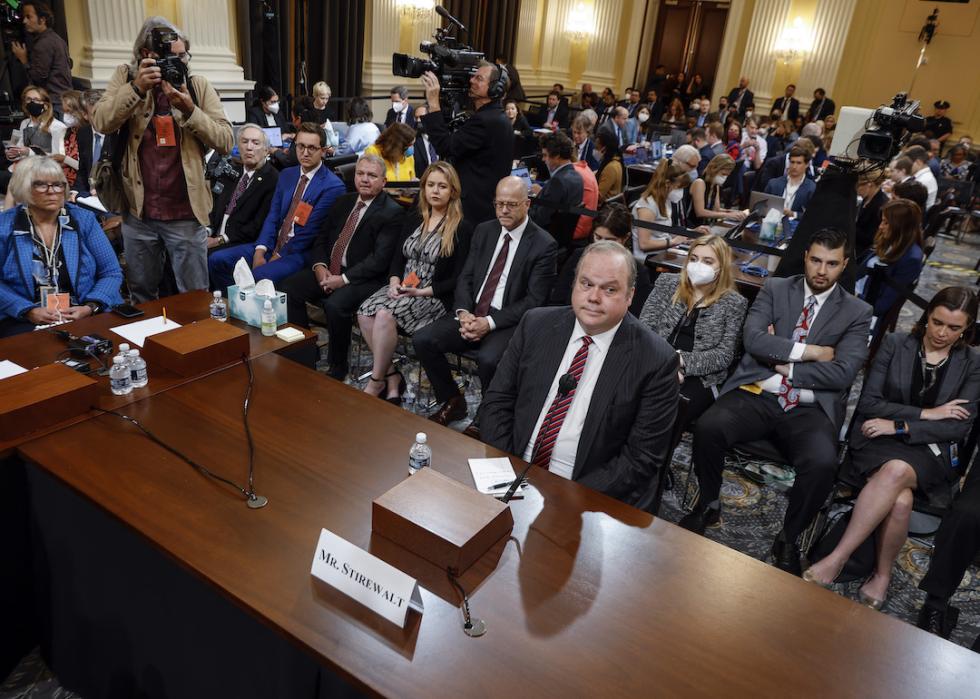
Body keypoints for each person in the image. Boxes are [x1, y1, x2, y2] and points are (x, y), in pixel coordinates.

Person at [681, 228, 873, 576]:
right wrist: (811, 354)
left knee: (822, 463)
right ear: (805, 257)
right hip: (757, 393)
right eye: (816, 260)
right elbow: (753, 340)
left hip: (809, 408)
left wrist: (783, 363)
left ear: (843, 265)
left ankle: (789, 535)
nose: (821, 270)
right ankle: (708, 501)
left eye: (831, 263)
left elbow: (844, 373)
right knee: (709, 426)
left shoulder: (857, 311)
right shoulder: (775, 287)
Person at [803, 287, 980, 610]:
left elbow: (958, 427)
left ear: (966, 329)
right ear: (927, 315)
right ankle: (882, 575)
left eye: (954, 328)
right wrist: (929, 413)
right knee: (900, 503)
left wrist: (899, 424)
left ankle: (838, 556)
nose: (942, 333)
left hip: (931, 452)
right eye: (937, 322)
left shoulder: (973, 363)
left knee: (897, 472)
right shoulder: (895, 344)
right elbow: (869, 403)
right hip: (876, 439)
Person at [481, 240, 679, 509]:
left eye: (609, 289)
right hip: (513, 470)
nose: (594, 297)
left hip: (586, 495)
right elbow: (497, 401)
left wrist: (567, 496)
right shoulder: (535, 324)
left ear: (630, 296)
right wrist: (507, 468)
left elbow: (640, 460)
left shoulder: (655, 360)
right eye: (586, 284)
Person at [91, 16, 233, 303]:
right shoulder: (126, 77)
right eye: (170, 56)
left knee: (194, 297)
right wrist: (136, 89)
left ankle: (197, 345)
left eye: (182, 56)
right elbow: (101, 121)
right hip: (138, 212)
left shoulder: (196, 85)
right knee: (142, 294)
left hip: (185, 212)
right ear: (147, 55)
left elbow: (226, 141)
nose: (178, 63)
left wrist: (190, 110)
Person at [413, 175, 557, 427]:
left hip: (507, 320)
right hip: (472, 311)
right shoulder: (485, 230)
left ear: (527, 204)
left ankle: (490, 412)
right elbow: (466, 277)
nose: (503, 210)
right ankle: (452, 400)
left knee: (489, 359)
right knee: (423, 339)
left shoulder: (544, 244)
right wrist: (463, 313)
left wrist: (488, 323)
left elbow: (534, 301)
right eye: (499, 203)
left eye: (511, 204)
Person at [279, 154, 404, 380]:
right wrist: (319, 267)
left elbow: (379, 260)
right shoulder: (343, 202)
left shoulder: (392, 212)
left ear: (383, 182)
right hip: (329, 270)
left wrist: (342, 280)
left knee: (335, 305)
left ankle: (338, 366)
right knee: (289, 288)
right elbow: (321, 238)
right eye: (360, 173)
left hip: (364, 279)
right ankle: (304, 351)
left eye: (372, 176)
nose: (365, 179)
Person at [357, 162, 472, 403]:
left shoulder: (461, 227)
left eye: (442, 186)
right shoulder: (415, 216)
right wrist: (394, 280)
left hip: (433, 295)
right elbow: (398, 256)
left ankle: (376, 382)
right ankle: (392, 375)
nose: (435, 191)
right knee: (364, 313)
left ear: (453, 191)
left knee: (384, 316)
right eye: (430, 185)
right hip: (404, 285)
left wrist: (421, 292)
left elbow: (459, 278)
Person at [208, 123, 344, 289]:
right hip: (272, 243)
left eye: (312, 148)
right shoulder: (287, 174)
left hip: (298, 252)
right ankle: (233, 306)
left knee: (258, 275)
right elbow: (272, 217)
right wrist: (260, 250)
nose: (305, 153)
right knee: (217, 260)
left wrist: (276, 256)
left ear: (323, 151)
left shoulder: (332, 186)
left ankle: (246, 309)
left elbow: (309, 232)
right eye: (300, 146)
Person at [0, 157, 123, 337]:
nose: (53, 192)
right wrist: (27, 310)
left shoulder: (84, 220)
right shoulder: (5, 226)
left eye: (58, 185)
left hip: (84, 313)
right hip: (23, 319)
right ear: (24, 188)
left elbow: (111, 272)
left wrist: (90, 306)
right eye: (41, 185)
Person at [639, 234, 748, 428]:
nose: (698, 266)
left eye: (707, 261)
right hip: (653, 362)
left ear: (721, 267)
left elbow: (724, 356)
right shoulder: (666, 283)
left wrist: (679, 362)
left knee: (666, 414)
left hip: (700, 377)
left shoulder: (734, 303)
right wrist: (664, 364)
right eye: (694, 259)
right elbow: (644, 329)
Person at [419, 61, 514, 226]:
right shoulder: (497, 117)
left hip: (473, 211)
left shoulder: (485, 120)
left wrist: (434, 103)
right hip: (484, 206)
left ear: (495, 89)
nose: (471, 81)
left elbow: (445, 146)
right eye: (473, 77)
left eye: (479, 78)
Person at [551, 203, 652, 316]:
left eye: (610, 240)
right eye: (598, 237)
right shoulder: (578, 256)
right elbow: (557, 299)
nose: (602, 245)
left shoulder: (638, 272)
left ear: (625, 238)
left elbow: (635, 315)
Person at [205, 124, 278, 252]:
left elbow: (258, 225)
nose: (249, 147)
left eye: (255, 143)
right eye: (244, 142)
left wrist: (220, 240)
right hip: (213, 235)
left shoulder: (273, 179)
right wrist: (207, 230)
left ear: (266, 150)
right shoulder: (231, 171)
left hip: (239, 242)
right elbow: (214, 206)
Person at [854, 198, 924, 320]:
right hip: (855, 293)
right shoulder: (890, 241)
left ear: (901, 227)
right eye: (882, 221)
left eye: (886, 223)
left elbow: (880, 306)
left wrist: (852, 296)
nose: (881, 227)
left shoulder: (911, 259)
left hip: (863, 310)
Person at [10, 1, 71, 115]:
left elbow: (38, 78)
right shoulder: (57, 39)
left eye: (29, 17)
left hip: (54, 104)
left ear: (42, 20)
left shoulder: (43, 44)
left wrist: (23, 59)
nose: (24, 21)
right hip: (63, 100)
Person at [631, 159, 694, 259]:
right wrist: (673, 242)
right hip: (648, 258)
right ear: (667, 184)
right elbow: (644, 244)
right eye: (678, 187)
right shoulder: (647, 206)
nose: (681, 192)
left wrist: (690, 233)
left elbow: (663, 232)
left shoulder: (665, 200)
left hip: (662, 251)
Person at [529, 132, 583, 242]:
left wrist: (522, 207)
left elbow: (538, 219)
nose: (543, 160)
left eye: (545, 155)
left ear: (557, 156)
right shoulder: (578, 177)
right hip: (560, 239)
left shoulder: (557, 182)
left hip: (543, 239)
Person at [7, 86, 66, 161]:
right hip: (24, 167)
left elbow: (59, 158)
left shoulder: (57, 126)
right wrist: (12, 154)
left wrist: (29, 153)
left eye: (36, 100)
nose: (32, 102)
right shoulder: (24, 123)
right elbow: (19, 150)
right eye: (28, 99)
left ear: (46, 105)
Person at [691, 154, 746, 225]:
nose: (725, 178)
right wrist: (728, 215)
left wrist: (733, 212)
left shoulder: (715, 185)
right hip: (695, 225)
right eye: (723, 174)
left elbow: (716, 209)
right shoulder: (700, 183)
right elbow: (700, 212)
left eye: (727, 175)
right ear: (714, 168)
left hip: (708, 224)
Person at [57, 90, 93, 196]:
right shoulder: (69, 131)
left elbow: (87, 166)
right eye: (64, 111)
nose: (66, 116)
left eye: (69, 111)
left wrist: (65, 159)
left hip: (80, 183)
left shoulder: (88, 133)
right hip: (63, 180)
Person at [765, 145, 816, 215]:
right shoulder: (773, 183)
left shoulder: (812, 188)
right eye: (792, 162)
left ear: (807, 164)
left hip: (794, 224)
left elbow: (812, 215)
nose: (794, 166)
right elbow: (763, 206)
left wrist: (793, 214)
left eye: (799, 163)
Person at [854, 172, 889, 258]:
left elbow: (871, 238)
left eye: (858, 186)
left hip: (863, 251)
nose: (856, 190)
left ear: (870, 185)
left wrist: (849, 225)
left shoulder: (881, 204)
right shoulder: (867, 197)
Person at [594, 129, 624, 205]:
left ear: (604, 149)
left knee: (572, 208)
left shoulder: (611, 168)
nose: (595, 150)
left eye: (597, 148)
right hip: (604, 206)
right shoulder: (615, 162)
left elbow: (597, 196)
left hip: (600, 211)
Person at [905, 145, 938, 210]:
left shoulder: (923, 181)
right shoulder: (924, 176)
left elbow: (908, 204)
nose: (907, 167)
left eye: (909, 164)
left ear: (918, 162)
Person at [412, 104, 439, 174]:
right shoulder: (413, 141)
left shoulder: (440, 137)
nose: (418, 120)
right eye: (416, 118)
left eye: (421, 117)